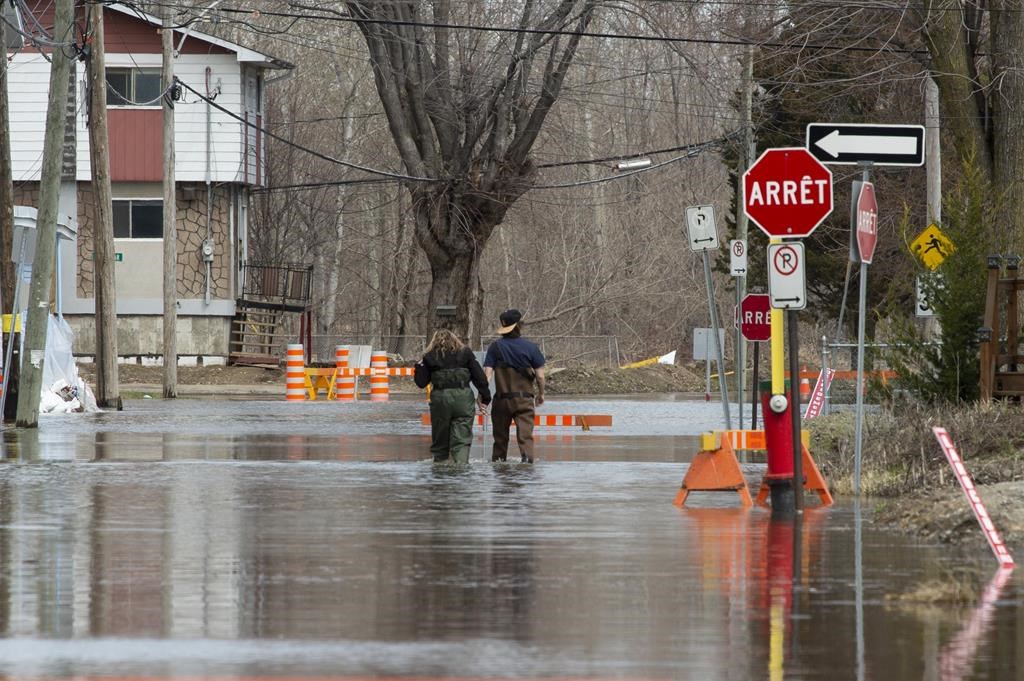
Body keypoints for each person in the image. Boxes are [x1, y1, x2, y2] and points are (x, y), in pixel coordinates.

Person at [414, 329, 491, 464]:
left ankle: (441, 469)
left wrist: (419, 365)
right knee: (461, 440)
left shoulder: (430, 356)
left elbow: (421, 383)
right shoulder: (465, 353)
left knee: (440, 437)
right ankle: (460, 468)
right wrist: (485, 398)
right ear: (455, 340)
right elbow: (481, 379)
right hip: (463, 399)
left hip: (440, 400)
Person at [483, 309, 546, 463]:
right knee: (525, 438)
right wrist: (541, 394)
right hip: (524, 400)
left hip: (501, 401)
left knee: (500, 440)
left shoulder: (495, 347)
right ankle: (526, 466)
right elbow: (540, 376)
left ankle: (499, 469)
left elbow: (487, 375)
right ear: (519, 325)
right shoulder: (531, 348)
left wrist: (483, 397)